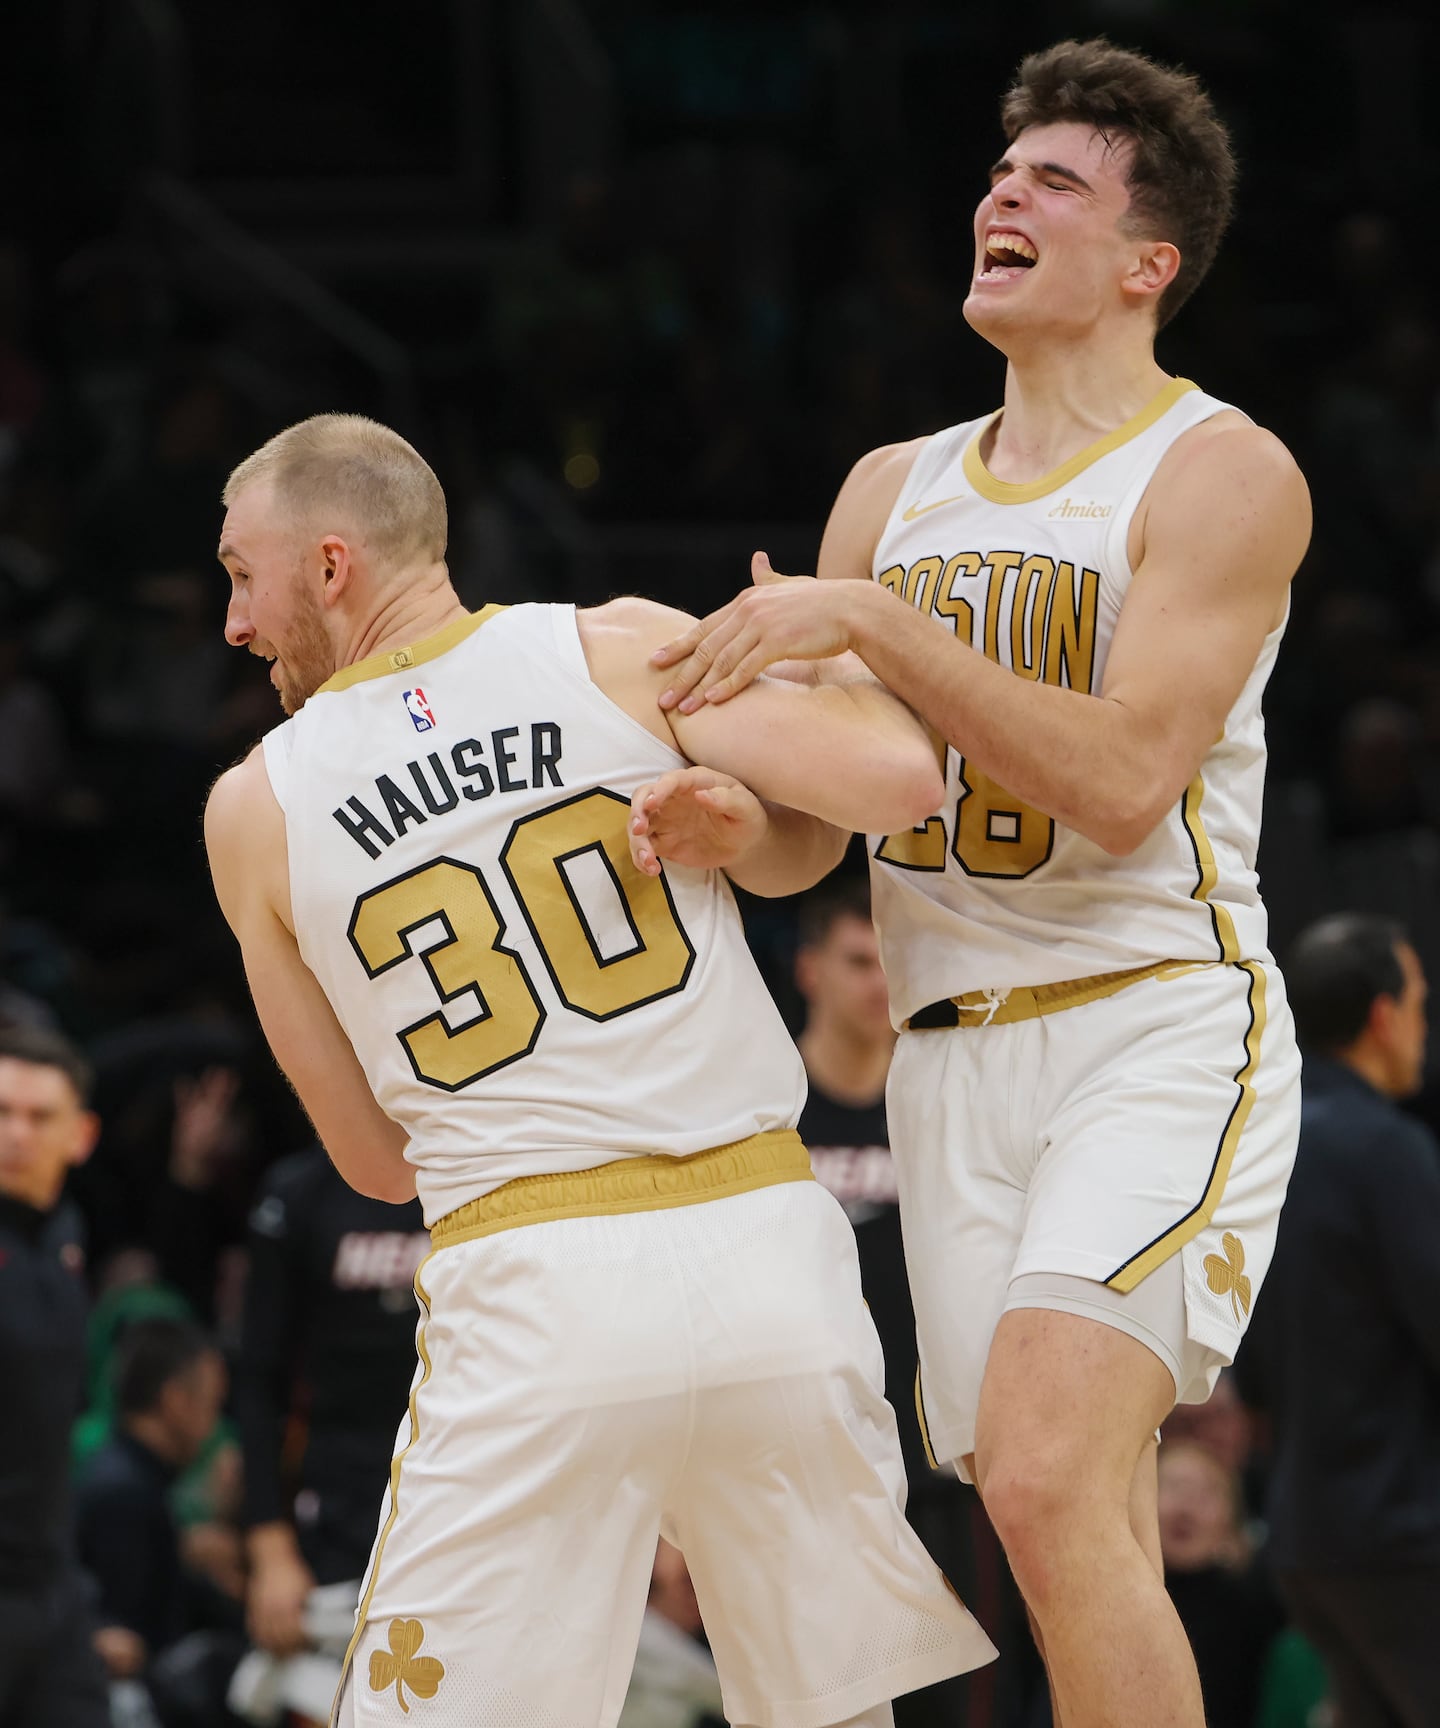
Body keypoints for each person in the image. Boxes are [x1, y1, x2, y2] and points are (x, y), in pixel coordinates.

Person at [637, 37, 1311, 1728]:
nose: (1000, 194)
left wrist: (871, 622)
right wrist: (747, 823)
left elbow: (1121, 777)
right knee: (1024, 1499)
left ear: (1147, 263)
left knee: (1045, 1465)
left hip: (1152, 1020)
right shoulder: (894, 486)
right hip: (947, 1045)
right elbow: (832, 827)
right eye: (1001, 172)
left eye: (1055, 182)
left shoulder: (1220, 470)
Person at [202, 413, 995, 1728]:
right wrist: (813, 658)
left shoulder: (255, 809)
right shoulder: (622, 645)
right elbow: (903, 780)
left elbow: (370, 1161)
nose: (233, 621)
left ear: (330, 564)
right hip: (771, 1267)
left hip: (537, 1295)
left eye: (242, 574)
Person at [1235, 913, 1440, 1728]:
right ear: (1384, 1017)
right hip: (1406, 1535)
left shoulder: (1262, 1149)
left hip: (1306, 1538)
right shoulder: (1383, 1147)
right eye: (1421, 1003)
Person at [793, 880, 980, 1728]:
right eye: (856, 961)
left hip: (935, 1463)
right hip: (800, 1468)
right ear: (809, 970)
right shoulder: (761, 1112)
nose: (878, 983)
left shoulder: (942, 1103)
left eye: (888, 962)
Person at [229, 1143, 429, 1725]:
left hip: (474, 1485)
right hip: (337, 1504)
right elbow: (259, 1380)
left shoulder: (484, 1167)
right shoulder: (298, 1193)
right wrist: (269, 1549)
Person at [0, 1025, 111, 1728]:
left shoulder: (66, 1233)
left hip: (51, 1582)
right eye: (1, 1113)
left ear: (82, 1136)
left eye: (39, 1117)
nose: (16, 1134)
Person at [75, 1316, 237, 1718]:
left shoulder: (135, 1479)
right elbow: (128, 1643)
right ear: (176, 1400)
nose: (213, 1426)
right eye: (211, 1406)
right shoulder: (124, 1493)